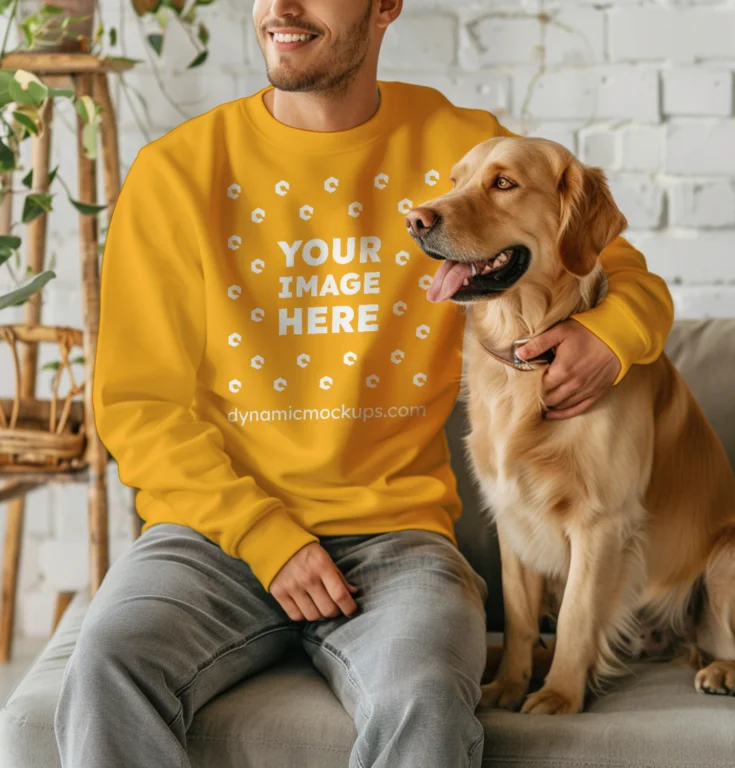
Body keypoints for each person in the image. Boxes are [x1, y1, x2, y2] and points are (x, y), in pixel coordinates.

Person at [53, 1, 674, 766]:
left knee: (425, 695)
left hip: (400, 540)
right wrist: (265, 539)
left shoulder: (458, 147)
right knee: (106, 666)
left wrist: (608, 338)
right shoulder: (177, 171)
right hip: (210, 537)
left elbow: (627, 275)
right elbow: (137, 408)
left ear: (385, 6)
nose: (281, 8)